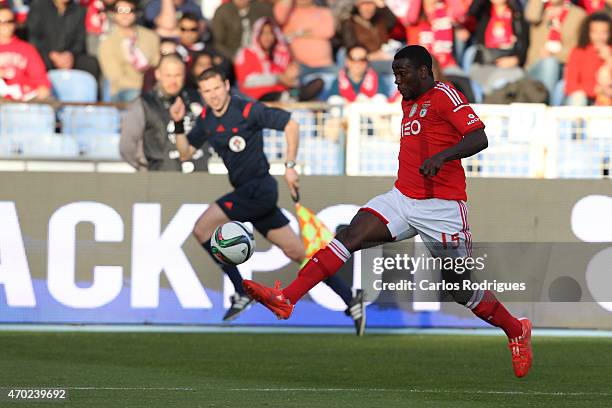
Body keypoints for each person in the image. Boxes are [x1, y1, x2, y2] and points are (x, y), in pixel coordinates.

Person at [243, 45, 533, 377]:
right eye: (395, 74)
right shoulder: (408, 100)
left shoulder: (444, 94)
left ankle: (516, 329)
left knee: (459, 286)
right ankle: (287, 298)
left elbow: (479, 137)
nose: (397, 81)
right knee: (349, 235)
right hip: (402, 197)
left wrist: (443, 156)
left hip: (442, 207)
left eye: (403, 74)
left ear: (424, 71)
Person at [171, 67, 366, 331]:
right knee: (299, 253)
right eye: (207, 91)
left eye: (217, 88)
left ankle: (241, 292)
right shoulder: (205, 118)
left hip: (258, 189)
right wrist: (180, 123)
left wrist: (290, 165)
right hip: (250, 193)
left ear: (227, 85)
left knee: (202, 228)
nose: (213, 96)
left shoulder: (247, 109)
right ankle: (350, 297)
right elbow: (185, 153)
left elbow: (291, 124)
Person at [120, 53, 208, 172]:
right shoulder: (143, 104)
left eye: (178, 75)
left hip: (199, 178)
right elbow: (127, 147)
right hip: (159, 179)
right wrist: (146, 168)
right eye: (168, 75)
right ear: (158, 74)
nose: (173, 81)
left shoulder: (198, 99)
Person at [234, 17, 323, 101]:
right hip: (260, 97)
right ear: (257, 34)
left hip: (286, 92)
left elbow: (290, 79)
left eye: (270, 33)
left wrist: (292, 78)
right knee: (275, 97)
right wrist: (277, 78)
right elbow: (246, 81)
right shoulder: (246, 53)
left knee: (317, 83)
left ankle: (293, 98)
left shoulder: (280, 54)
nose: (267, 37)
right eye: (263, 33)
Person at [98, 0, 160, 102]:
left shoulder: (151, 37)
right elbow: (116, 78)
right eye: (120, 10)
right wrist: (142, 88)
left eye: (129, 10)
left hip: (151, 88)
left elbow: (157, 65)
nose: (124, 14)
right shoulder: (107, 44)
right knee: (137, 96)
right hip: (122, 92)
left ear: (136, 13)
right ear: (113, 14)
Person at [525, 0, 586, 97]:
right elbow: (531, 15)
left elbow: (578, 51)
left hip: (564, 67)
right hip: (536, 66)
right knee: (549, 63)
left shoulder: (579, 15)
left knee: (564, 86)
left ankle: (548, 103)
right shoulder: (540, 10)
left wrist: (555, 54)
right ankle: (545, 100)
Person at [466, 0, 529, 95]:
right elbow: (471, 11)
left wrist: (517, 59)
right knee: (495, 80)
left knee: (517, 76)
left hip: (509, 65)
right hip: (484, 64)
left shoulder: (517, 14)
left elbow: (524, 42)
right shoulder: (483, 11)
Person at [26, 0, 100, 79]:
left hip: (70, 57)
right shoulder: (38, 6)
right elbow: (34, 38)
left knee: (91, 64)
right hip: (45, 55)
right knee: (36, 62)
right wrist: (51, 55)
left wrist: (70, 55)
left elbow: (79, 41)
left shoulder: (79, 10)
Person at [0, 5, 51, 101]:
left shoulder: (27, 49)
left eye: (9, 21)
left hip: (24, 104)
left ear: (15, 23)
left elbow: (42, 85)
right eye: (0, 22)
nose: (5, 25)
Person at [274, 0, 336, 77]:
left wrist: (297, 33)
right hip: (299, 66)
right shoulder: (288, 13)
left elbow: (328, 31)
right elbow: (279, 17)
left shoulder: (323, 11)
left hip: (324, 65)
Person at [565, 12, 612, 105]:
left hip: (606, 100)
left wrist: (609, 59)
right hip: (583, 99)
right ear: (588, 32)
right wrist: (596, 90)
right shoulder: (578, 51)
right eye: (595, 32)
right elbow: (570, 86)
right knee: (578, 97)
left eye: (604, 32)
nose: (599, 36)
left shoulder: (609, 51)